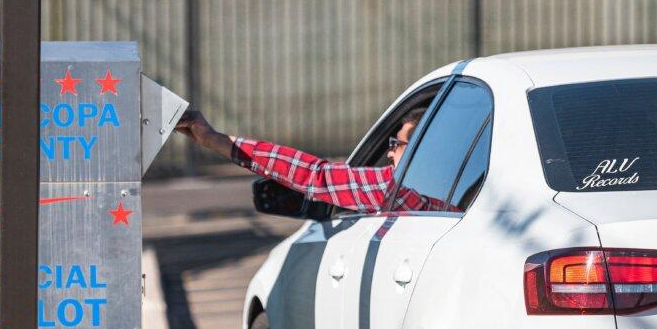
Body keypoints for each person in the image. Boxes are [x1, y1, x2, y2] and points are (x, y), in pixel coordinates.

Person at [175, 107, 453, 213]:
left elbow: (313, 175)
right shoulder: (464, 197)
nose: (390, 152)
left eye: (397, 145)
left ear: (421, 153)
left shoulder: (400, 191)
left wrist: (215, 140)